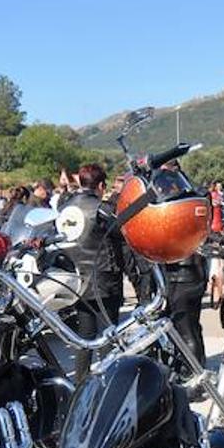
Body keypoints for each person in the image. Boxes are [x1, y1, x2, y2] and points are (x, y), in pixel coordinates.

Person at [65, 163, 137, 381]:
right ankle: (108, 382)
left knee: (84, 336)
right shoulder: (102, 209)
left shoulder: (67, 207)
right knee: (108, 334)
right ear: (101, 185)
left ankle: (80, 382)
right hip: (104, 277)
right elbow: (121, 234)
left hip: (78, 278)